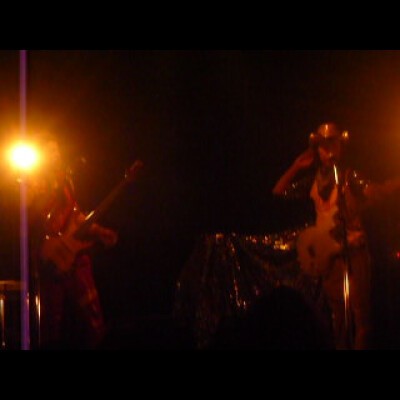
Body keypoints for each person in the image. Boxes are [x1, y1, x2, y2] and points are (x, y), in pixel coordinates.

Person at [272, 122, 400, 350]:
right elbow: (279, 191)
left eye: (333, 144)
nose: (328, 150)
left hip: (354, 252)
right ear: (317, 150)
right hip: (329, 258)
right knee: (337, 319)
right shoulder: (312, 182)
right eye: (323, 146)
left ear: (341, 147)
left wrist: (386, 187)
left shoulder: (349, 177)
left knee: (361, 318)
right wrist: (296, 166)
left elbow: (374, 191)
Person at [26, 135, 118, 349]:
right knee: (50, 320)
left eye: (57, 151)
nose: (55, 155)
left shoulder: (66, 182)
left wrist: (99, 231)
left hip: (73, 255)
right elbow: (25, 216)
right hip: (49, 257)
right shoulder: (31, 182)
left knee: (91, 313)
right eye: (50, 151)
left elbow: (75, 217)